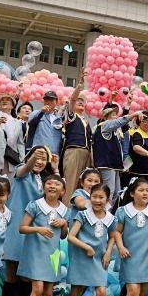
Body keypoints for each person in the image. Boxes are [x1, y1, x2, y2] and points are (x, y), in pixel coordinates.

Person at [0, 146, 55, 296]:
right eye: (36, 158)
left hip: (34, 233)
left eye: (43, 159)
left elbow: (57, 189)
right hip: (17, 230)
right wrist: (33, 159)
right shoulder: (21, 172)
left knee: (28, 277)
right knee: (11, 274)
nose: (40, 162)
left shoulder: (44, 180)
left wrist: (55, 168)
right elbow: (25, 168)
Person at [18, 174, 69, 296]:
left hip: (53, 254)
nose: (52, 186)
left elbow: (63, 236)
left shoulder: (64, 210)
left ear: (63, 191)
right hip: (36, 252)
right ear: (44, 187)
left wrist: (64, 224)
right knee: (37, 289)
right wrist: (38, 229)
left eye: (57, 184)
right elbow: (22, 228)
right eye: (49, 183)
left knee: (48, 291)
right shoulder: (35, 205)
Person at [66, 184, 119, 296]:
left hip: (99, 259)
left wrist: (108, 252)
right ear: (89, 198)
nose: (97, 200)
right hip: (81, 258)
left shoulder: (111, 218)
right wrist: (87, 247)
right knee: (76, 291)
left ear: (107, 200)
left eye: (101, 197)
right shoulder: (83, 215)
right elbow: (71, 236)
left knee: (101, 291)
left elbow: (112, 237)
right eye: (94, 197)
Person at [93, 93, 138, 205]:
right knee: (109, 192)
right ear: (106, 117)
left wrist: (127, 105)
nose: (116, 117)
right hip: (107, 164)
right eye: (113, 114)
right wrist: (134, 114)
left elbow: (120, 122)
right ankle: (104, 213)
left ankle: (112, 212)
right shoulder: (104, 125)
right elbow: (120, 121)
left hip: (114, 165)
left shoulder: (114, 131)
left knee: (117, 193)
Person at [61, 70, 93, 201]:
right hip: (74, 151)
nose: (80, 102)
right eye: (78, 100)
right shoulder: (72, 116)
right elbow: (73, 99)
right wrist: (80, 85)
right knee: (70, 184)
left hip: (86, 153)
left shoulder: (86, 121)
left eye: (83, 101)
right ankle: (66, 209)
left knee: (83, 186)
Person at [124, 112, 148, 192]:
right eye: (144, 121)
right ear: (139, 122)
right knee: (136, 191)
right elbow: (136, 147)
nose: (147, 124)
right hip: (137, 172)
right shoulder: (137, 134)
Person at [25, 90, 64, 156]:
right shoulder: (36, 113)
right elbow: (31, 124)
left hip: (54, 154)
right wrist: (42, 112)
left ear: (56, 102)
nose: (48, 102)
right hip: (39, 151)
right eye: (46, 100)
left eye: (51, 100)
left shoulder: (59, 118)